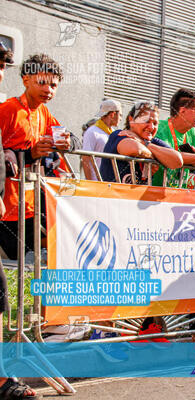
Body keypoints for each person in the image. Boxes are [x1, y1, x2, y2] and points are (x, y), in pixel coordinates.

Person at [0, 47, 42, 400]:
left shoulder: (41, 112)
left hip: (17, 209)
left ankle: (1, 379)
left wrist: (20, 155)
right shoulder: (7, 110)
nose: (0, 73)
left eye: (1, 67)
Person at [0, 54, 71, 261]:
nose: (48, 90)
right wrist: (28, 154)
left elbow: (72, 137)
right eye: (42, 83)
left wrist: (66, 142)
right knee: (16, 264)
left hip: (29, 205)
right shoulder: (9, 110)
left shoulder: (44, 113)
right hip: (6, 205)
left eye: (54, 86)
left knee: (33, 262)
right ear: (26, 80)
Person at [152, 88, 195, 187]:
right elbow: (171, 157)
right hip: (153, 194)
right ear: (183, 111)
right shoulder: (159, 128)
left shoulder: (191, 131)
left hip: (179, 195)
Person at [99, 101, 183, 184]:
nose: (151, 127)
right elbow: (135, 149)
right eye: (146, 121)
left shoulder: (151, 142)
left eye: (155, 123)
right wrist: (155, 157)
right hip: (112, 195)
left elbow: (177, 161)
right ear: (131, 120)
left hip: (138, 196)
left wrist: (144, 143)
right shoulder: (120, 134)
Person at [81, 99, 122, 180]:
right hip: (96, 183)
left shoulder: (114, 133)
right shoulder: (92, 132)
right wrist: (90, 183)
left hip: (110, 182)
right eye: (120, 115)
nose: (120, 119)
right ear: (113, 114)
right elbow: (85, 159)